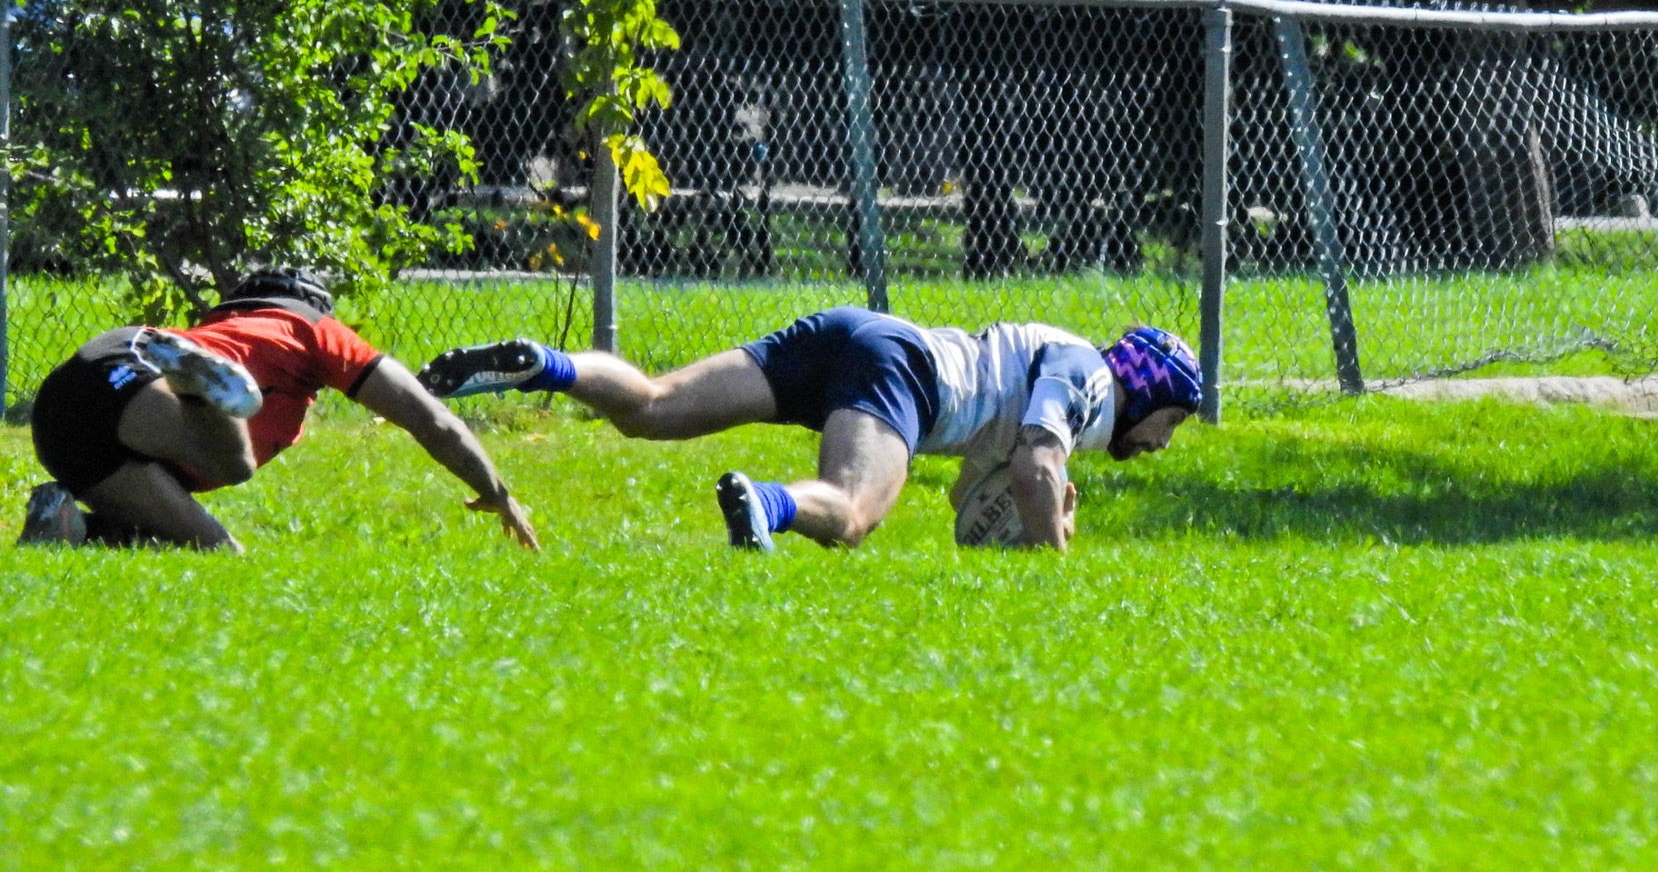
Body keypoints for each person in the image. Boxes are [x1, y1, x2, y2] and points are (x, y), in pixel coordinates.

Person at [417, 307, 1201, 552]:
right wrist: (1056, 563)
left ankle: (544, 365)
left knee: (652, 406)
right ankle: (767, 505)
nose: (1166, 439)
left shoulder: (1068, 370)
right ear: (1152, 390)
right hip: (907, 373)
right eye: (1175, 418)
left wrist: (1041, 521)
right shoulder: (1090, 380)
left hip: (854, 331)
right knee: (851, 513)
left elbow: (975, 499)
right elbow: (1032, 465)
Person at [16, 266, 539, 552]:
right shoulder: (311, 331)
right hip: (137, 372)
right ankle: (197, 388)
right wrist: (497, 491)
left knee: (214, 550)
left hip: (67, 411)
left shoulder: (222, 327)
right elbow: (432, 419)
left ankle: (62, 521)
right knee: (232, 463)